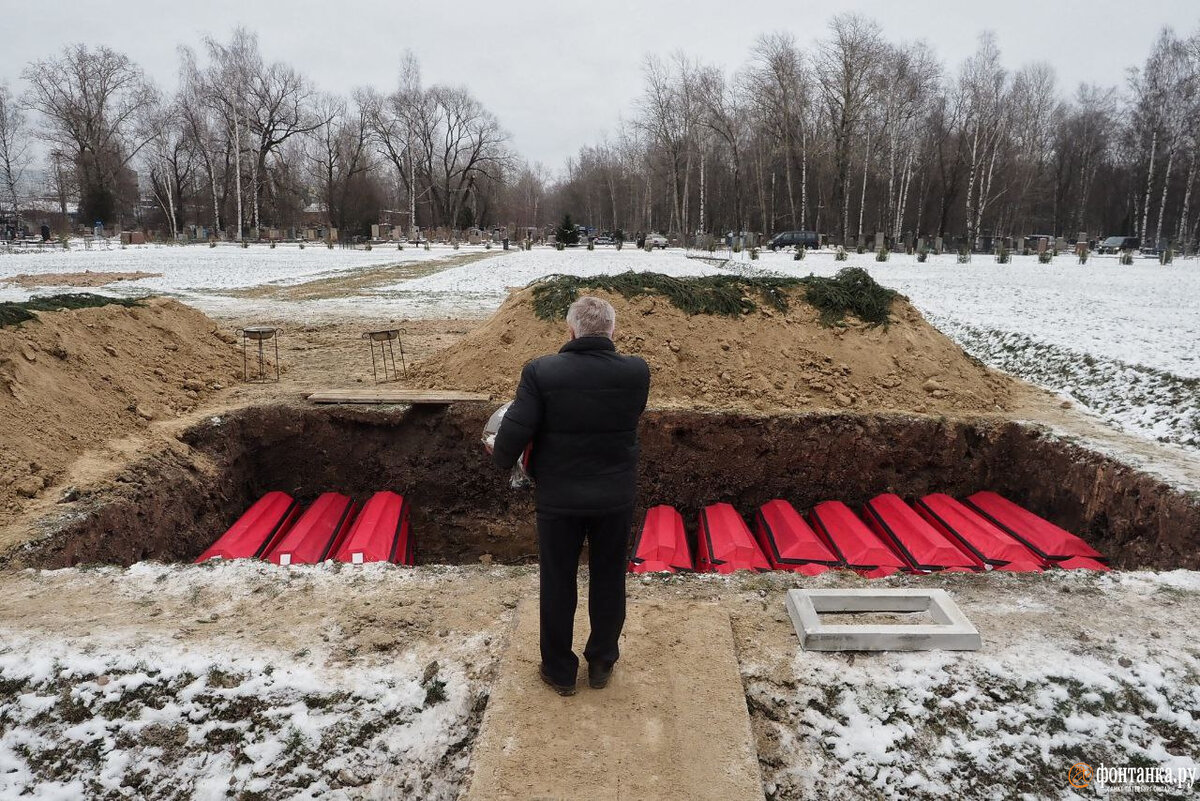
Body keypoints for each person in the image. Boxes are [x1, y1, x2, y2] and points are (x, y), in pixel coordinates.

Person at [492, 296, 650, 696]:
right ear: (613, 331)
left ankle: (560, 671)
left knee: (558, 580)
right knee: (609, 578)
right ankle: (601, 663)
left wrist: (501, 460)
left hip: (559, 500)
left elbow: (516, 428)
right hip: (614, 496)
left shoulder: (541, 372)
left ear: (570, 330)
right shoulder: (637, 372)